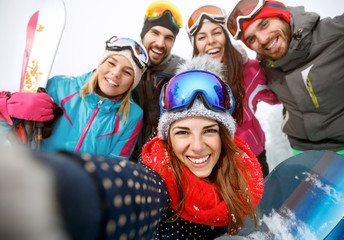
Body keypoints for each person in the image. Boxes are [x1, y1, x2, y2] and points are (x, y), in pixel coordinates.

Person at [0, 57, 264, 240]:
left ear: (224, 136)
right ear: (167, 140)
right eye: (182, 132)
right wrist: (43, 190)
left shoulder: (244, 178)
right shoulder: (159, 183)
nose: (197, 146)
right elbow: (117, 190)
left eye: (209, 131)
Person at [226, 0, 344, 163]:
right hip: (301, 152)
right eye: (251, 38)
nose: (262, 39)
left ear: (282, 15)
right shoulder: (265, 64)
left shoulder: (340, 33)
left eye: (264, 24)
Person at [0, 37, 148, 160]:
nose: (115, 73)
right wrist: (8, 107)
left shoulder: (132, 116)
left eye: (127, 72)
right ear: (101, 63)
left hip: (78, 188)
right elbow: (7, 136)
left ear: (133, 82)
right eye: (111, 63)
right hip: (35, 178)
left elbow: (116, 168)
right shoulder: (59, 87)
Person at [185, 5, 279, 177]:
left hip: (253, 155)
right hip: (214, 162)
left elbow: (279, 95)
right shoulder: (190, 83)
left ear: (226, 37)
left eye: (216, 32)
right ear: (196, 45)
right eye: (202, 37)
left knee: (261, 203)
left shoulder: (251, 70)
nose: (211, 41)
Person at [131, 1, 185, 162]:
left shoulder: (181, 71)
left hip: (161, 160)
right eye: (155, 33)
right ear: (144, 31)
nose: (160, 43)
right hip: (122, 154)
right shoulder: (125, 60)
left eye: (169, 38)